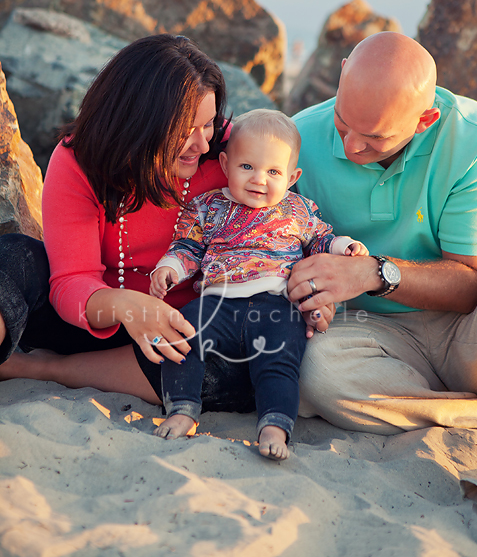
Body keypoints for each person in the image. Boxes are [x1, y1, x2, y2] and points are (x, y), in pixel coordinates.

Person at [0, 33, 253, 411]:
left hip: (181, 336)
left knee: (234, 364)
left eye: (209, 124)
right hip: (92, 316)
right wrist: (128, 306)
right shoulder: (80, 161)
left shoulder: (234, 156)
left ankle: (47, 369)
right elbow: (70, 280)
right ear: (141, 120)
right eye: (187, 129)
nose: (202, 144)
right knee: (14, 256)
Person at [287, 31, 477, 448]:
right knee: (315, 373)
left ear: (424, 121)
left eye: (375, 137)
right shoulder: (297, 139)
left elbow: (474, 285)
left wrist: (372, 272)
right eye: (343, 122)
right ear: (343, 71)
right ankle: (476, 412)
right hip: (369, 331)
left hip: (465, 327)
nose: (351, 146)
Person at [149, 109, 368, 459]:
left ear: (292, 176)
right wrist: (170, 268)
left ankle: (274, 426)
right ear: (225, 163)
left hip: (276, 304)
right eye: (247, 167)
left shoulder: (298, 210)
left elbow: (320, 240)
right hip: (217, 302)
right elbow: (187, 245)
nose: (259, 180)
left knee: (280, 362)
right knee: (182, 337)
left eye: (273, 172)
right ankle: (182, 410)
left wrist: (346, 247)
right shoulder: (207, 206)